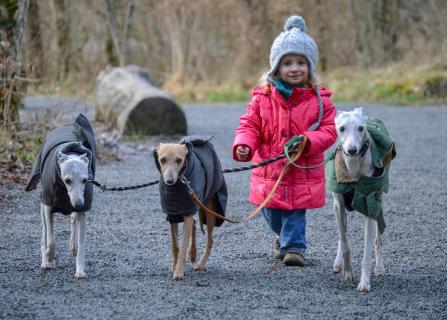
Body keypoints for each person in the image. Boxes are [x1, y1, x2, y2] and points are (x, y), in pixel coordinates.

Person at [232, 15, 337, 266]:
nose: (294, 68)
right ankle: (282, 237)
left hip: (301, 169)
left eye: (301, 62)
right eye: (287, 62)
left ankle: (295, 248)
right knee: (271, 212)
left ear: (310, 67)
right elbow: (250, 124)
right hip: (270, 169)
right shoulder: (262, 98)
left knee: (294, 210)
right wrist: (244, 144)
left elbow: (330, 129)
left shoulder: (319, 100)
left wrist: (308, 141)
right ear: (276, 67)